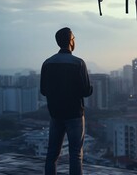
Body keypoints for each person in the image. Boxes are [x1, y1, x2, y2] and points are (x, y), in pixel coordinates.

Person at [41, 27, 93, 175]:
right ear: (71, 41)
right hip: (74, 114)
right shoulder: (78, 63)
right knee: (75, 154)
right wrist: (91, 87)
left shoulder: (47, 63)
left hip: (56, 114)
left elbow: (43, 90)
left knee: (52, 154)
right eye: (74, 38)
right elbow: (85, 91)